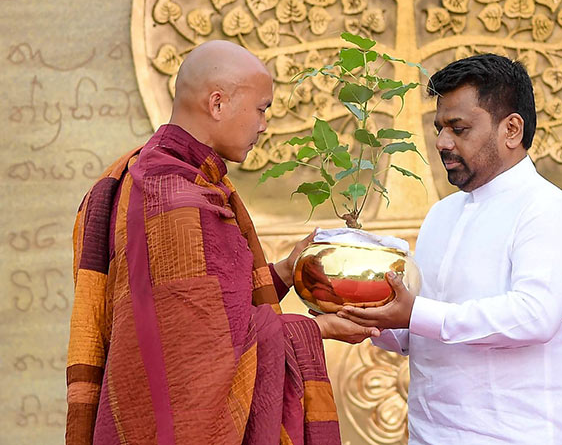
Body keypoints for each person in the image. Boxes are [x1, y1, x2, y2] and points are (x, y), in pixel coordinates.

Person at [66, 40, 378, 445]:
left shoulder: (147, 175)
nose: (263, 125)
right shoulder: (178, 201)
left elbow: (206, 314)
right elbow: (202, 354)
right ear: (217, 104)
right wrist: (316, 331)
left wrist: (284, 271)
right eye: (261, 108)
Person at [338, 54, 562, 444]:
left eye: (459, 128)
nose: (442, 142)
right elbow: (422, 329)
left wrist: (417, 313)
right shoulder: (442, 215)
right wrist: (364, 314)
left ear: (511, 129)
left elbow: (536, 316)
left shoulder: (545, 209)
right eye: (439, 127)